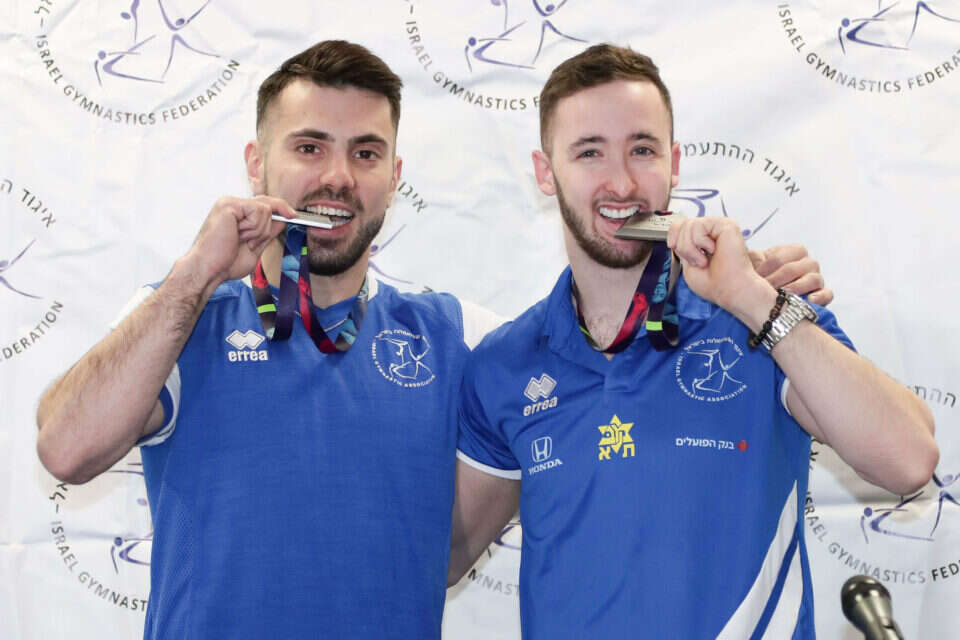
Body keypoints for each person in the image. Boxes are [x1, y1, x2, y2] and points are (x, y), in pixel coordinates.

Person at [36, 39, 830, 639]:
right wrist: (193, 276)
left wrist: (752, 296)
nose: (337, 176)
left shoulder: (459, 340)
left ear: (394, 175)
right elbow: (65, 448)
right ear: (256, 163)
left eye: (366, 152)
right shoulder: (184, 317)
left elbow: (456, 540)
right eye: (309, 147)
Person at [449, 44, 938, 639]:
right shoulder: (505, 363)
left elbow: (909, 459)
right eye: (589, 152)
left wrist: (749, 297)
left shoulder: (762, 316)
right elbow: (441, 558)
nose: (622, 181)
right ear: (546, 171)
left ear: (674, 162)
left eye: (642, 149)